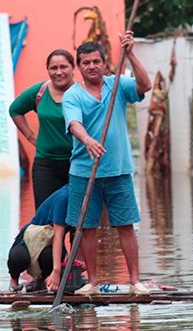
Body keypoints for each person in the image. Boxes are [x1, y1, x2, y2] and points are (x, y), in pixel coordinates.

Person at [62, 31, 152, 295]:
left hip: (119, 170)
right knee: (86, 228)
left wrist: (132, 53)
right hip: (83, 171)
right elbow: (74, 123)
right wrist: (88, 140)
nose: (92, 66)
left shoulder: (118, 85)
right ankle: (92, 282)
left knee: (126, 225)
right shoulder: (73, 95)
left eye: (96, 62)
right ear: (79, 67)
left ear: (104, 63)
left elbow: (145, 86)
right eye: (86, 63)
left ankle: (135, 281)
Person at [9, 49, 75, 210]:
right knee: (45, 218)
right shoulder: (40, 92)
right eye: (53, 68)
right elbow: (15, 110)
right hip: (46, 165)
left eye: (63, 67)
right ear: (47, 70)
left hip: (77, 164)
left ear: (73, 68)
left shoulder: (82, 93)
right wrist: (31, 136)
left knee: (77, 220)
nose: (58, 72)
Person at [7, 184, 69, 292]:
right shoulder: (63, 198)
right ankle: (14, 281)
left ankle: (42, 281)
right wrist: (56, 271)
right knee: (19, 257)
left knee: (49, 257)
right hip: (29, 240)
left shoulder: (84, 199)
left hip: (49, 245)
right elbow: (58, 236)